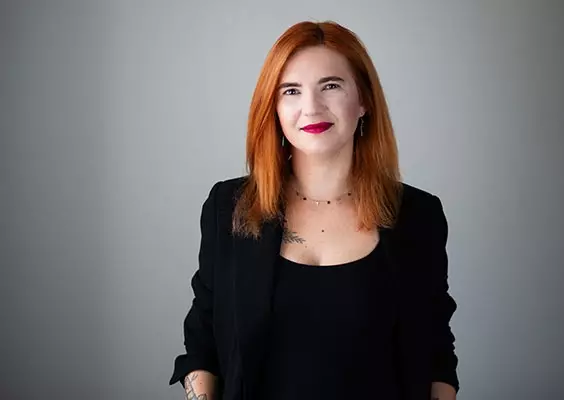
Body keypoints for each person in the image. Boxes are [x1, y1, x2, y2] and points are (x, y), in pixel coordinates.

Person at [169, 20, 460, 400]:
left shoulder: (418, 215)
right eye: (291, 91)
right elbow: (202, 340)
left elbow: (436, 352)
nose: (311, 107)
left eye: (331, 86)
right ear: (273, 107)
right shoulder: (229, 207)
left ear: (364, 100)